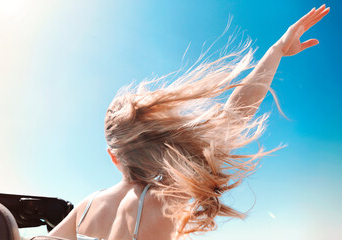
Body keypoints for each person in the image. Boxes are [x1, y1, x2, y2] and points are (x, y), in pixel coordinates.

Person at [48, 5, 329, 240]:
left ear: (113, 156)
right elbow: (234, 115)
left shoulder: (88, 205)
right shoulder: (162, 199)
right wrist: (277, 50)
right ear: (160, 142)